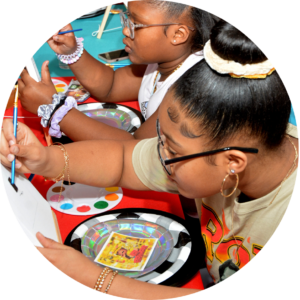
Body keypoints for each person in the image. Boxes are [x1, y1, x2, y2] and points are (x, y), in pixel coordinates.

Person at [1, 19, 298, 296]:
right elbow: (121, 161)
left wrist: (98, 280)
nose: (159, 155)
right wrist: (45, 159)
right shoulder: (214, 148)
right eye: (162, 139)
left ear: (232, 163)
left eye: (172, 150)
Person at [18, 0, 219, 142]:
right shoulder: (163, 61)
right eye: (126, 19)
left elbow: (134, 150)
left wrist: (55, 109)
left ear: (178, 34)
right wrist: (72, 52)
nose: (125, 30)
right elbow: (111, 85)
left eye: (135, 24)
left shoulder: (192, 90)